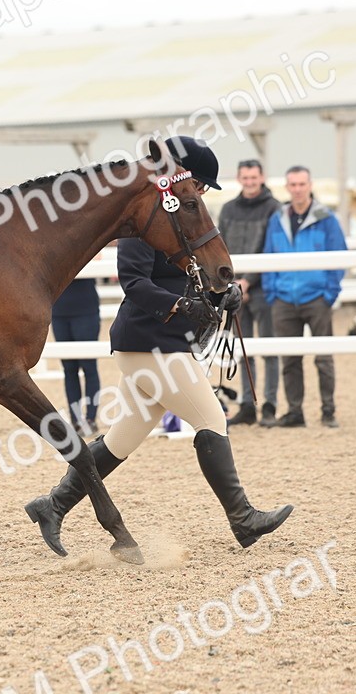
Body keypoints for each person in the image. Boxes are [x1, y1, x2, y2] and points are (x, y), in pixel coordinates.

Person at [24, 136, 293, 557]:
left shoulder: (184, 221)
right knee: (211, 417)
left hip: (163, 344)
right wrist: (180, 306)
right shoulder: (144, 221)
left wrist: (225, 294)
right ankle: (242, 519)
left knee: (120, 440)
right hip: (147, 343)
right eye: (198, 184)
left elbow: (197, 276)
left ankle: (52, 505)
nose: (200, 193)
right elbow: (135, 283)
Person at [263, 166, 347, 429]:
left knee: (323, 357)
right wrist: (272, 292)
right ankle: (295, 411)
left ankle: (328, 410)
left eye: (302, 184)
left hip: (316, 297)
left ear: (310, 185)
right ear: (287, 187)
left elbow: (339, 256)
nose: (298, 189)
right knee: (289, 358)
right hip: (284, 299)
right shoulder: (278, 219)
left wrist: (329, 292)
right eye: (293, 184)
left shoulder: (327, 219)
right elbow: (268, 256)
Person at [217, 159, 281, 427]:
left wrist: (249, 281)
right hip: (235, 290)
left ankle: (269, 403)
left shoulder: (274, 208)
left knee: (268, 348)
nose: (250, 182)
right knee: (242, 349)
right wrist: (232, 283)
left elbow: (272, 247)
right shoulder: (228, 209)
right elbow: (220, 247)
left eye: (254, 177)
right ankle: (247, 403)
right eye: (246, 177)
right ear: (239, 178)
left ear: (262, 177)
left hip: (264, 288)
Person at [51, 277, 102, 434]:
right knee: (69, 368)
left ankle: (90, 419)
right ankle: (75, 419)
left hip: (85, 309)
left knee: (89, 366)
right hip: (59, 310)